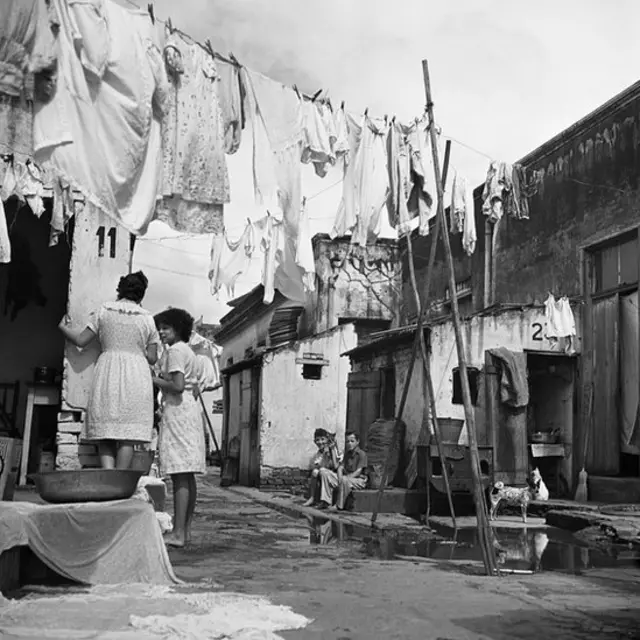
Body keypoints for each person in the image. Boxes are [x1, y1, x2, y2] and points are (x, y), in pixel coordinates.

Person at [58, 271, 159, 469]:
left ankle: (108, 474)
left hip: (108, 370)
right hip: (137, 375)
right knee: (128, 435)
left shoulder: (104, 311)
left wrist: (62, 327)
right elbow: (153, 357)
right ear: (141, 294)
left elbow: (81, 341)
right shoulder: (147, 319)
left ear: (120, 289)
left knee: (104, 430)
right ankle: (120, 480)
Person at [152, 307, 205, 548]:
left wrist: (150, 377)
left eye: (166, 328)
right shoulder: (188, 351)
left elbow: (177, 385)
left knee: (180, 474)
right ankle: (186, 530)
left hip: (178, 412)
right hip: (189, 412)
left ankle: (178, 533)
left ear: (178, 329)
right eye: (160, 327)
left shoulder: (174, 351)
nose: (162, 332)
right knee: (187, 475)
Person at [321, 431, 368, 512]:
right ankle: (326, 501)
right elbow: (340, 468)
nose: (349, 443)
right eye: (347, 441)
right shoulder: (347, 454)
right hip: (344, 479)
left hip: (358, 480)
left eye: (352, 441)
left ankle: (339, 506)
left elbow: (358, 471)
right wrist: (339, 479)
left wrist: (344, 478)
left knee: (344, 479)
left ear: (357, 442)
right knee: (323, 472)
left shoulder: (361, 454)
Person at [302, 428, 340, 507]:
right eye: (318, 440)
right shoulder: (319, 453)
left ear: (327, 440)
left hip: (336, 477)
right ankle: (312, 498)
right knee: (315, 471)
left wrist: (332, 450)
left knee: (322, 470)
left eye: (323, 439)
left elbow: (335, 466)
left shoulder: (334, 450)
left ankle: (326, 501)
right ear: (315, 442)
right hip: (325, 476)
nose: (320, 442)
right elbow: (317, 466)